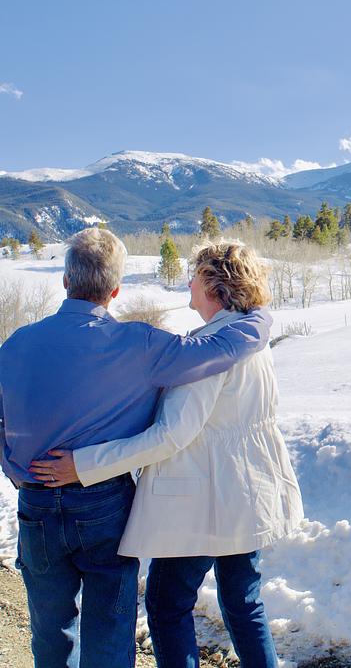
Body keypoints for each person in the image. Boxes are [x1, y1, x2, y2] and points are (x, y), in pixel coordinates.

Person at [0, 228, 272, 668]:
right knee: (109, 628)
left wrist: (14, 467)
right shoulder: (140, 345)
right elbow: (218, 348)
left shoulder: (16, 345)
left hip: (37, 498)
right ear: (115, 290)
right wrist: (259, 319)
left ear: (66, 281)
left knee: (49, 629)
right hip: (104, 500)